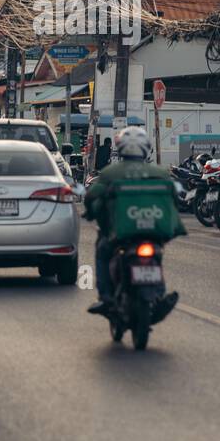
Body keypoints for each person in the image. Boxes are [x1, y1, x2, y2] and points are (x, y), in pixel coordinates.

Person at [84, 127, 185, 317]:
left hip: (121, 232)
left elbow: (91, 197)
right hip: (154, 231)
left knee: (102, 249)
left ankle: (105, 296)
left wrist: (90, 213)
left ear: (120, 149)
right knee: (157, 254)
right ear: (146, 148)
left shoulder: (110, 172)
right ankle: (159, 292)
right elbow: (175, 199)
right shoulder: (160, 172)